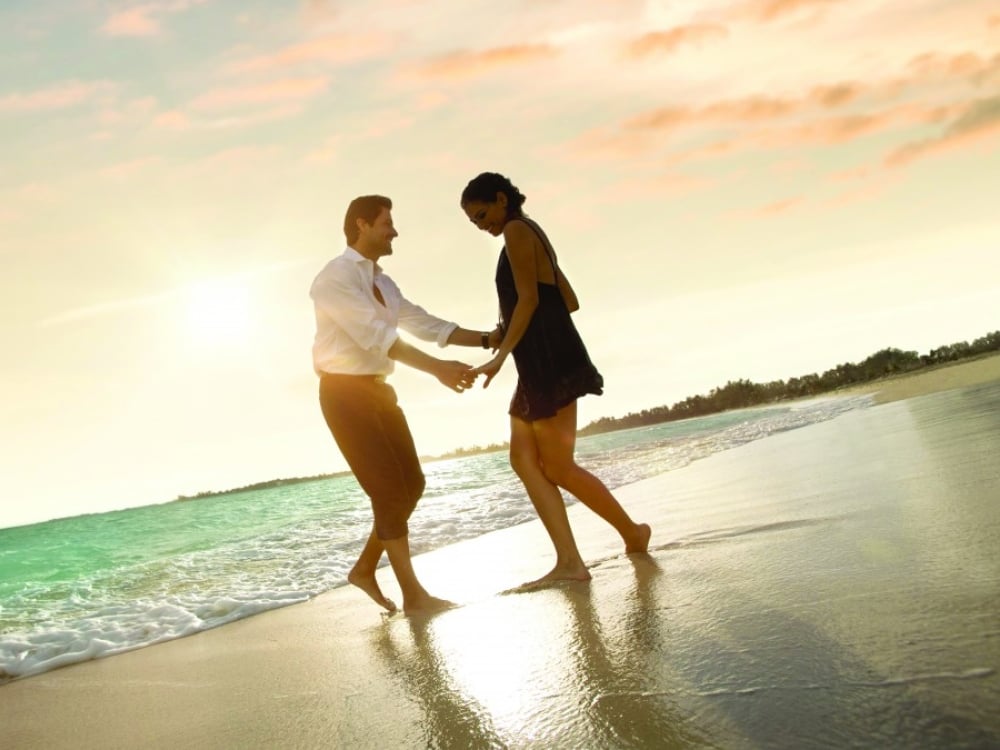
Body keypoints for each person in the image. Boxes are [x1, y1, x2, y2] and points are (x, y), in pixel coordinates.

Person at [311, 194, 500, 615]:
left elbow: (425, 324)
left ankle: (364, 569)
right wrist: (438, 369)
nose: (394, 231)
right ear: (361, 225)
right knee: (389, 491)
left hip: (379, 390)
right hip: (343, 394)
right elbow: (376, 336)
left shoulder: (383, 282)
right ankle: (414, 596)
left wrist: (489, 339)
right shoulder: (333, 278)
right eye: (386, 223)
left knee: (411, 485)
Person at [460, 172, 651, 587]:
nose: (482, 225)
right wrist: (508, 327)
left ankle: (628, 534)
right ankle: (570, 559)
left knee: (559, 466)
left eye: (481, 214)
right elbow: (569, 300)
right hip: (541, 359)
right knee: (523, 460)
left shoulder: (515, 230)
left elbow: (530, 298)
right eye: (474, 222)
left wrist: (502, 355)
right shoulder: (533, 233)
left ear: (500, 199)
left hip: (546, 359)